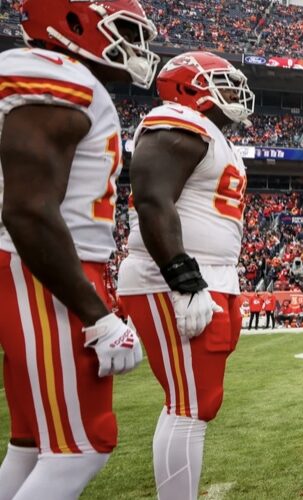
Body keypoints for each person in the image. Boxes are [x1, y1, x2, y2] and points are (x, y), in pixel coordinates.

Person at [0, 1, 156, 497]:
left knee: (30, 446)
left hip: (32, 267)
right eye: (124, 30)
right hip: (41, 272)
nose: (135, 46)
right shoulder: (56, 77)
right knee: (81, 446)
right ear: (71, 21)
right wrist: (99, 316)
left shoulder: (45, 75)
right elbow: (27, 211)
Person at [117, 51, 254, 500]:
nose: (234, 92)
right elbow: (153, 198)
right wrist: (183, 276)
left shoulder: (214, 136)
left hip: (210, 275)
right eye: (222, 82)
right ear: (191, 86)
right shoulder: (176, 119)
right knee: (188, 406)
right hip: (175, 279)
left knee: (197, 404)